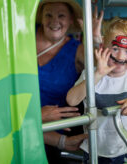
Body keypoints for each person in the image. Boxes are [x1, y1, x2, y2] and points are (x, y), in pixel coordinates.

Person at [66, 18, 127, 164]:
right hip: (92, 148)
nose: (120, 56)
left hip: (123, 147)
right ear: (103, 46)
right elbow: (72, 100)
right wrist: (98, 74)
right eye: (115, 48)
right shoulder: (90, 74)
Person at [35, 0, 103, 162]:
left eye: (61, 16)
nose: (54, 21)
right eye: (48, 15)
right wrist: (36, 116)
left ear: (71, 20)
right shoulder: (20, 41)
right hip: (15, 122)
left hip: (53, 133)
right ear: (41, 18)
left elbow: (105, 69)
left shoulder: (77, 50)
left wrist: (95, 39)